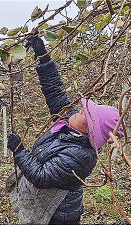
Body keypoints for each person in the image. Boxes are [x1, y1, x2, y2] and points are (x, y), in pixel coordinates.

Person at [7, 33, 124, 224]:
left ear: (90, 130)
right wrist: (43, 56)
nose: (77, 111)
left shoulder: (80, 157)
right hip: (46, 204)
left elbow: (42, 176)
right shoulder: (72, 125)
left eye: (84, 115)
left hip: (58, 215)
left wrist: (20, 150)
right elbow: (55, 91)